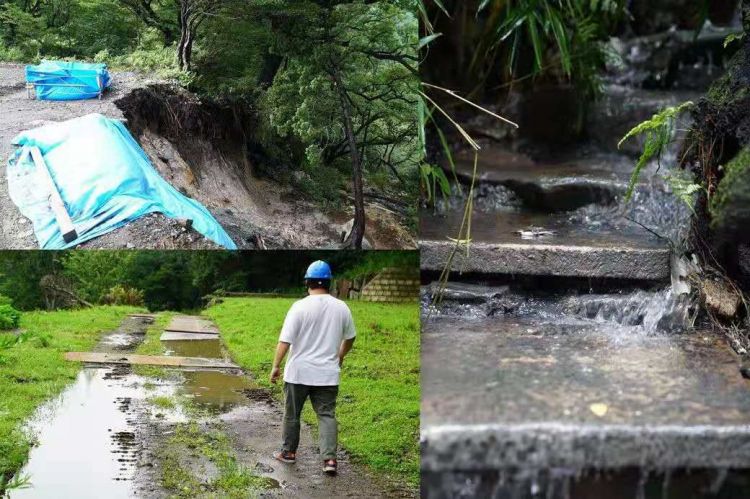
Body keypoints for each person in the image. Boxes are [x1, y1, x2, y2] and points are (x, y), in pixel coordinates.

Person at [270, 260, 356, 475]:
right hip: (327, 374)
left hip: (298, 372)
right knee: (326, 415)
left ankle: (288, 453)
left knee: (292, 414)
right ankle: (329, 461)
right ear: (329, 282)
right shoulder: (342, 307)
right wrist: (340, 355)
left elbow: (285, 341)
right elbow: (351, 337)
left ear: (307, 282)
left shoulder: (299, 307)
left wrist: (275, 366)